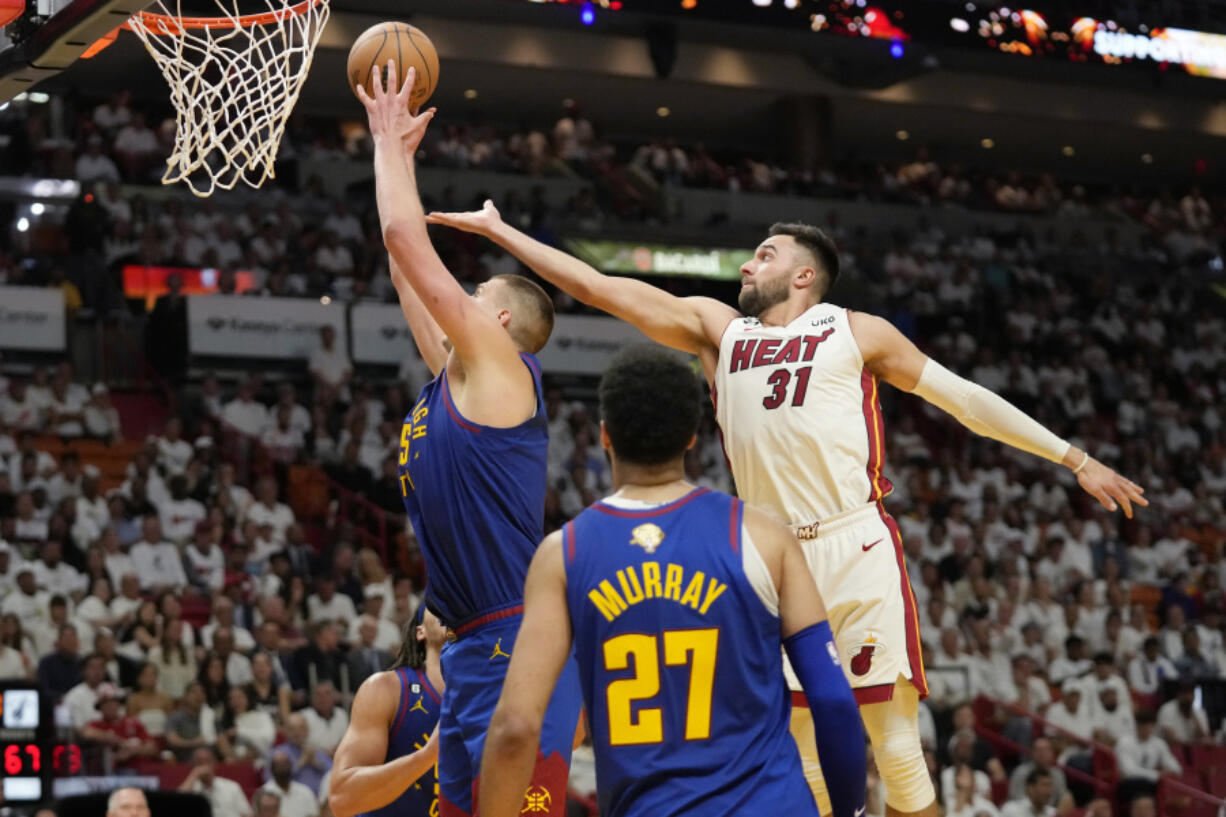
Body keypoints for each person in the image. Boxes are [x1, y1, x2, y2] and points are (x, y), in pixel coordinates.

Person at [427, 200, 1146, 817]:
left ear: (804, 274)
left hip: (853, 541)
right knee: (797, 752)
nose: (745, 266)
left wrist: (1075, 458)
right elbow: (596, 285)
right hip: (771, 559)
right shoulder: (719, 331)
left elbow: (963, 399)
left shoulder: (856, 331)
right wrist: (504, 232)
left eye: (762, 255)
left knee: (895, 748)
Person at [479, 347, 865, 817]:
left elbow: (516, 727)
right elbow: (832, 698)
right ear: (690, 438)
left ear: (604, 437)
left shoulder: (563, 555)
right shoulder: (762, 536)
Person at [356, 64, 581, 817]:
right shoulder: (456, 378)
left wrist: (385, 135)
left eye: (478, 295)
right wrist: (403, 159)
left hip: (517, 640)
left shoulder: (503, 369)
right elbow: (401, 261)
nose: (465, 298)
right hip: (474, 644)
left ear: (504, 324)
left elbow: (403, 232)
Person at [330, 608, 446, 817]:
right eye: (439, 602)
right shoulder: (386, 689)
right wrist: (427, 756)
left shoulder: (493, 699)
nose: (452, 606)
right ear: (420, 631)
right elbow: (343, 798)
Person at [179, 746, 252, 817]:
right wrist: (194, 774)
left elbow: (247, 814)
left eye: (208, 761)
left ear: (215, 764)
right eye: (199, 762)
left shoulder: (232, 787)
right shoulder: (190, 789)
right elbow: (176, 804)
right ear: (193, 766)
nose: (204, 766)